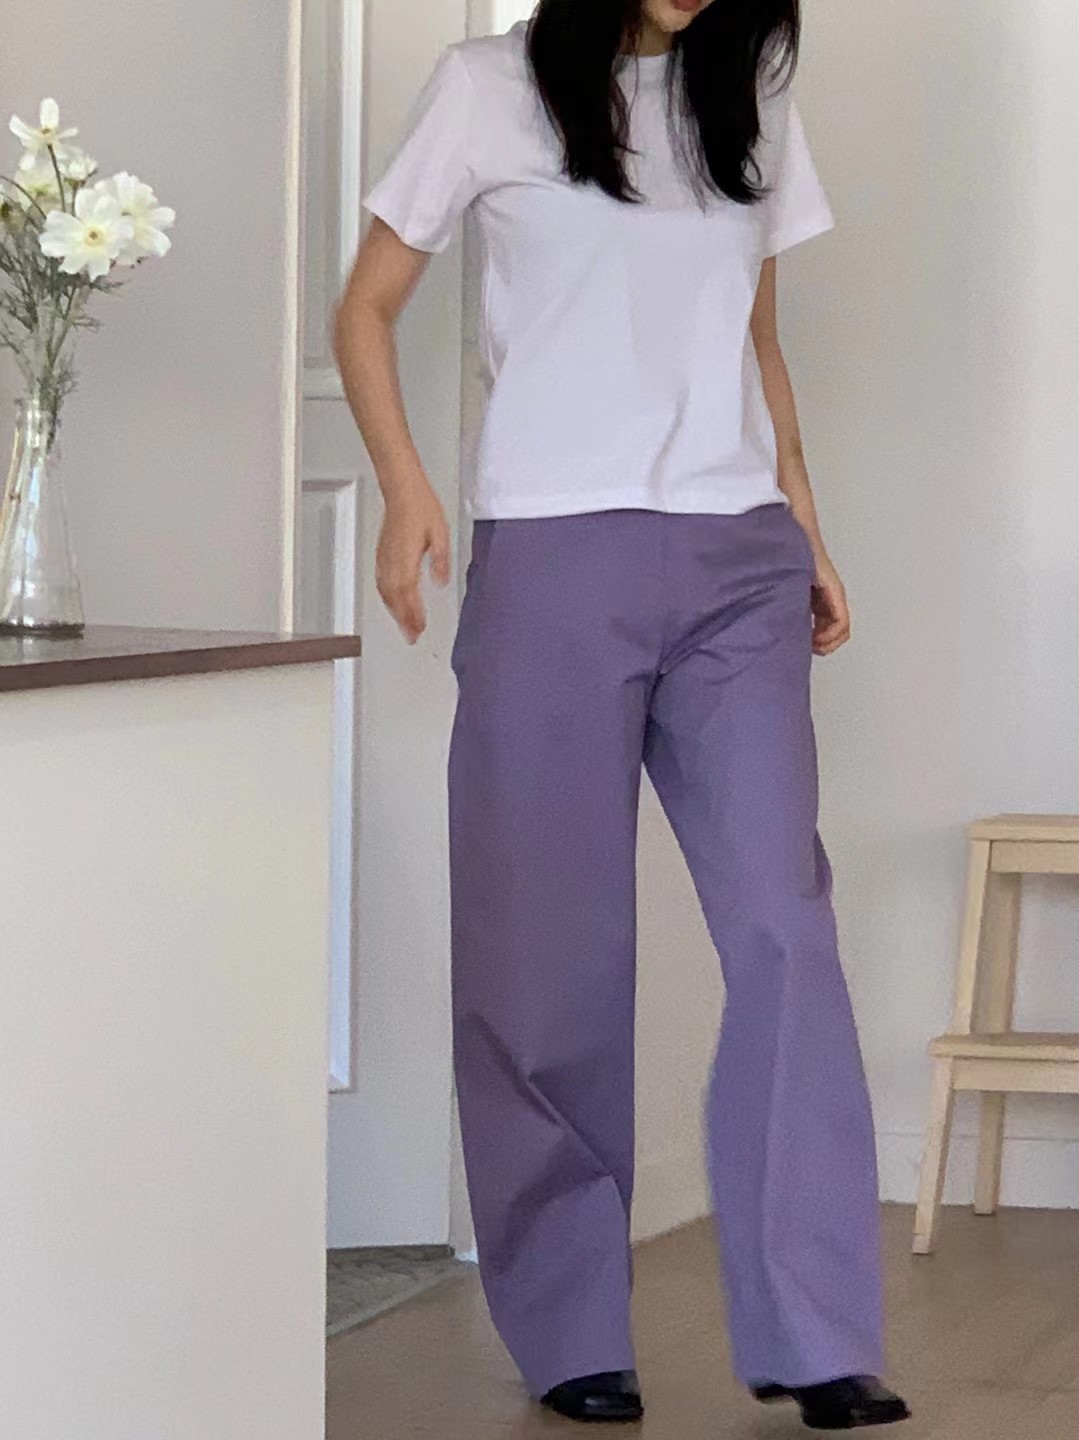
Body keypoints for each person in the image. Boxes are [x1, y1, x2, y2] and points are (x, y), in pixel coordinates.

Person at [334, 0, 910, 1429]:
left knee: (783, 924)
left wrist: (807, 521)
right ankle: (571, 1324)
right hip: (552, 553)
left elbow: (757, 339)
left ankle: (818, 1334)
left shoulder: (751, 90)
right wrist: (406, 489)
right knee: (547, 955)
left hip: (738, 562)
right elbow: (365, 308)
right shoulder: (487, 86)